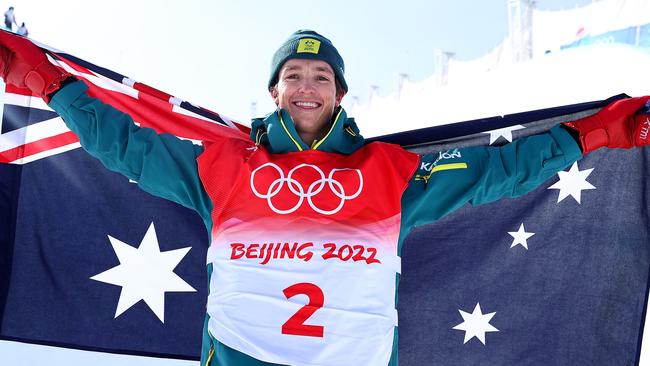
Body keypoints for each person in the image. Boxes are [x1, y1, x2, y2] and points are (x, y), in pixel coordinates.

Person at [0, 29, 648, 366]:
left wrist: (588, 135)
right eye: (293, 76)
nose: (307, 87)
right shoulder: (225, 166)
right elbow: (128, 148)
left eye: (321, 77)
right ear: (274, 92)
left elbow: (496, 171)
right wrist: (55, 88)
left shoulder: (390, 173)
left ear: (339, 94)